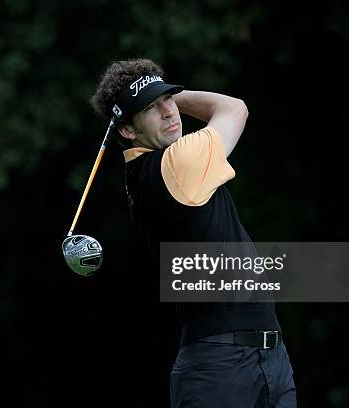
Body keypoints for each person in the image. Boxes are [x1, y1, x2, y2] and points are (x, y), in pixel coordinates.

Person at [90, 58, 296, 407]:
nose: (169, 112)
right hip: (222, 369)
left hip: (267, 357)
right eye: (151, 108)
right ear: (127, 130)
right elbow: (234, 109)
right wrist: (179, 96)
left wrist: (154, 93)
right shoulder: (175, 165)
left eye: (168, 99)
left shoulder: (150, 172)